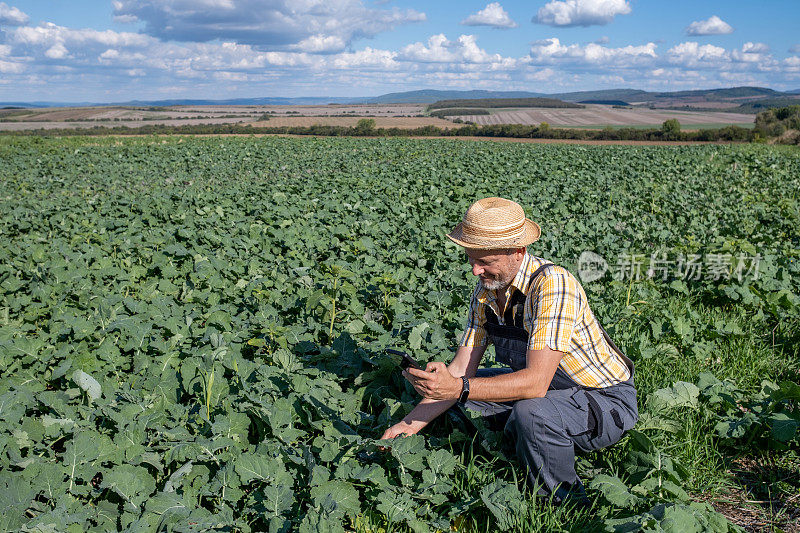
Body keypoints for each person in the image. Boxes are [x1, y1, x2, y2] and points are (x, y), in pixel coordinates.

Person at [380, 197, 638, 503]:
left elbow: (535, 383)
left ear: (518, 252)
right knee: (463, 398)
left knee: (530, 411)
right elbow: (461, 370)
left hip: (601, 401)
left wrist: (457, 388)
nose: (476, 270)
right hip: (548, 392)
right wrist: (408, 425)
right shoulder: (487, 288)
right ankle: (525, 445)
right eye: (471, 259)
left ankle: (562, 501)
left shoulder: (553, 285)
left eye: (485, 261)